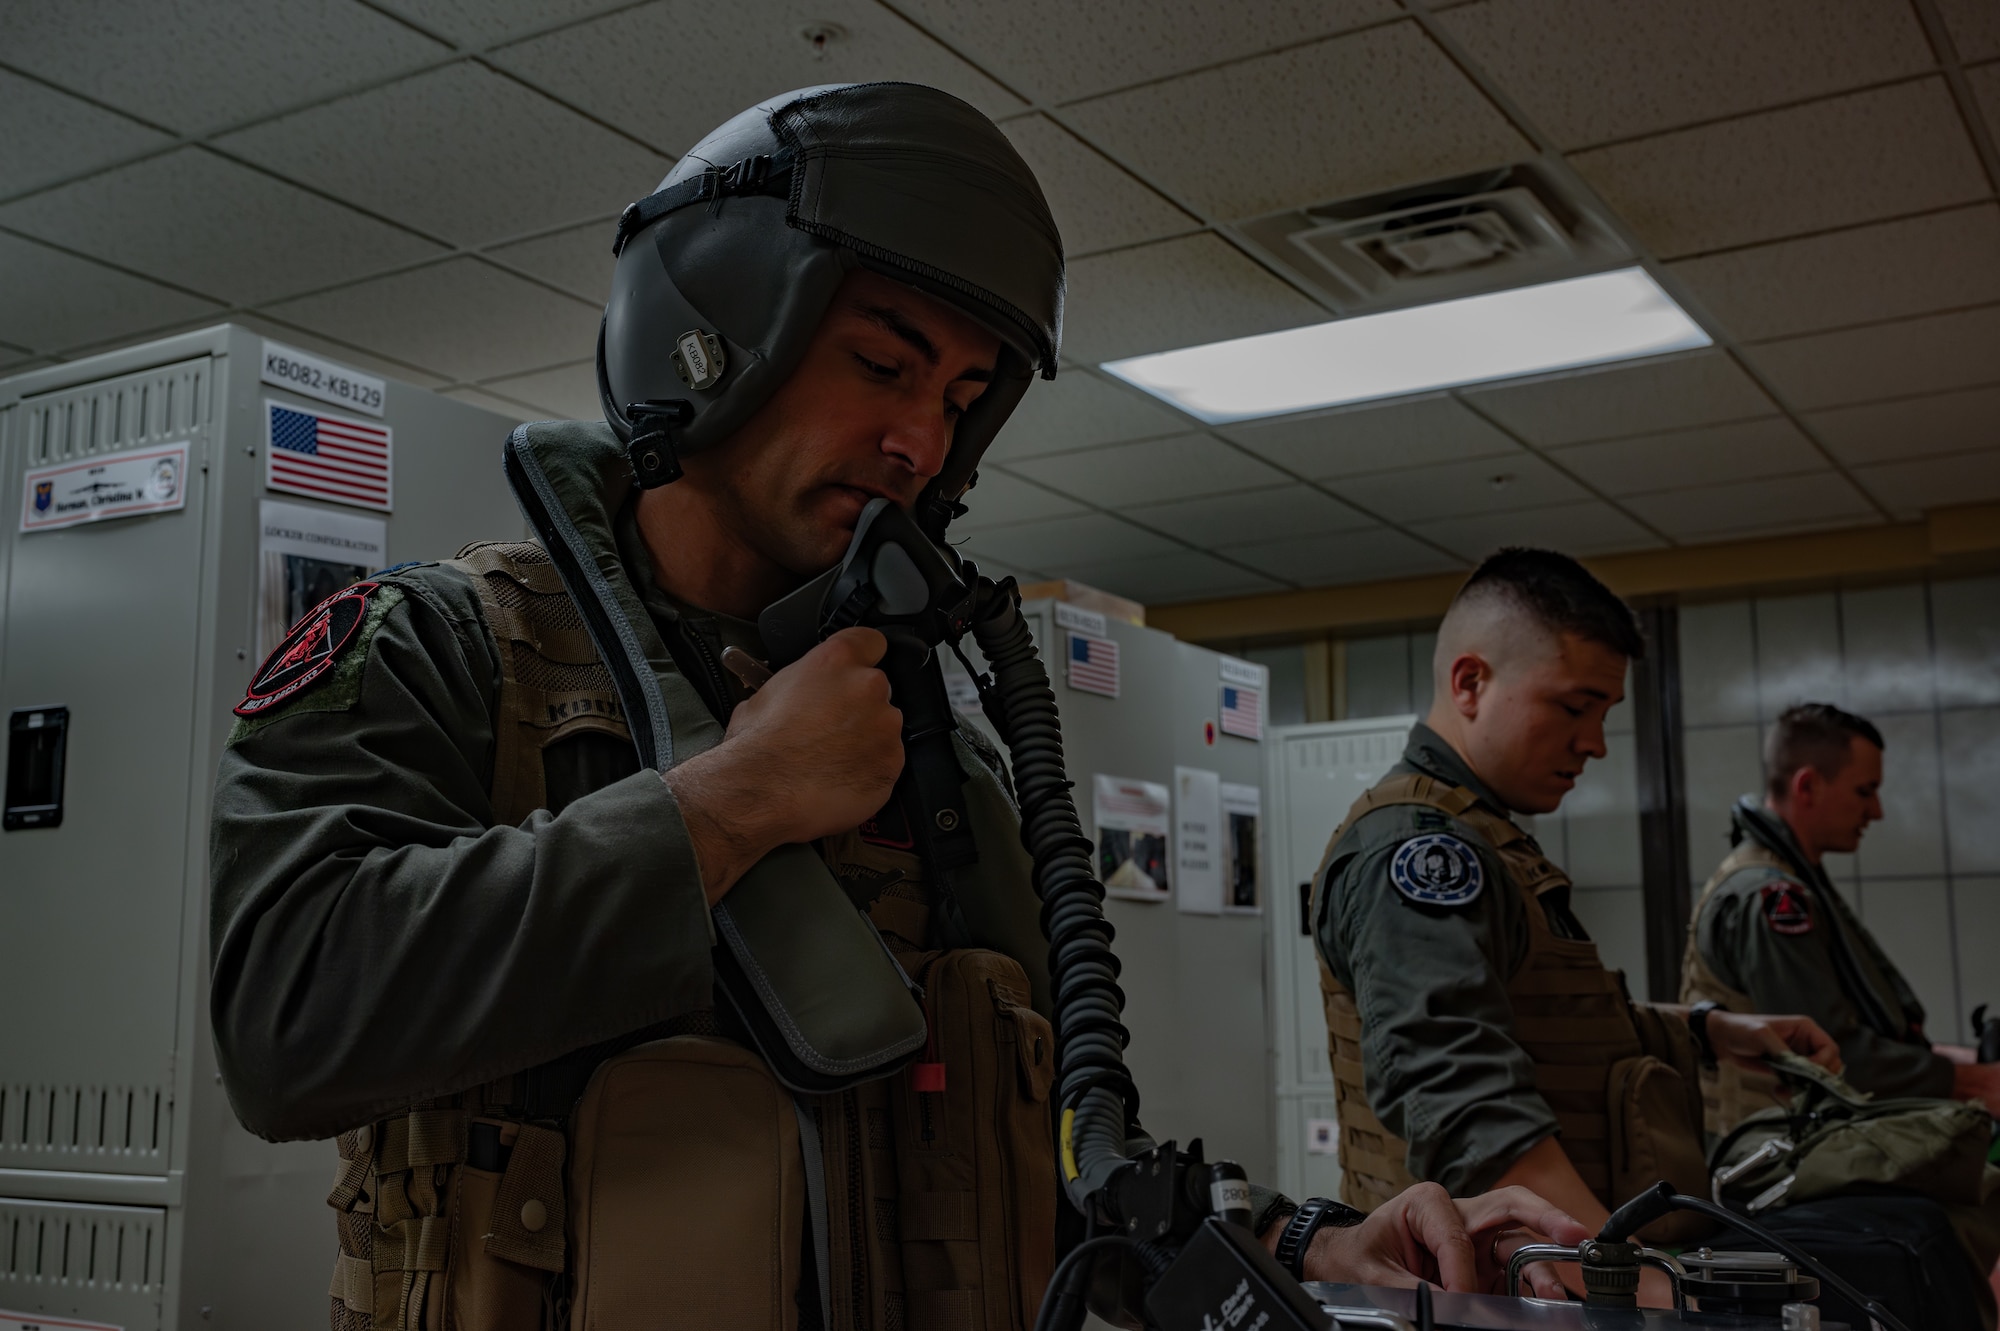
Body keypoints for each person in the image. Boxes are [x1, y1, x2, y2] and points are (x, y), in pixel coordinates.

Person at [209, 84, 1586, 1331]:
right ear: (719, 332)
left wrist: (1312, 1241)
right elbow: (285, 1019)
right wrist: (730, 802)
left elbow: (1054, 1150)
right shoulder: (443, 650)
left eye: (960, 398)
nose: (922, 440)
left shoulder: (932, 748)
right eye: (883, 362)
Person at [1309, 548, 1843, 1308]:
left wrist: (1713, 1031)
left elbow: (1563, 1022)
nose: (1594, 741)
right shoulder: (1420, 850)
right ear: (1470, 683)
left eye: (1604, 714)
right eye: (1573, 705)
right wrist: (1644, 1288)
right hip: (1494, 1290)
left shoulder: (1486, 835)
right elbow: (1465, 1106)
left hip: (1543, 1281)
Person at [1682, 702, 2000, 1131]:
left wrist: (1955, 1061)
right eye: (1864, 791)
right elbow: (1830, 1053)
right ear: (1808, 786)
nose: (1876, 811)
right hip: (1774, 1159)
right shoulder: (1771, 896)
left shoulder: (1790, 875)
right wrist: (1972, 1080)